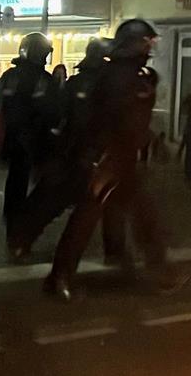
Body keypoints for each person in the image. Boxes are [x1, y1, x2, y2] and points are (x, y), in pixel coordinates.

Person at [44, 19, 181, 302]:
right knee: (85, 220)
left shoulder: (128, 73)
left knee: (145, 217)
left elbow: (132, 119)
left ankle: (161, 271)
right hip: (106, 160)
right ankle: (59, 279)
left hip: (121, 159)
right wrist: (103, 155)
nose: (150, 47)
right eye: (146, 42)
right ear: (134, 44)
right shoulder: (118, 76)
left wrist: (150, 140)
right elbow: (114, 120)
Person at [7, 38, 127, 266]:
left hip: (74, 154)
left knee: (64, 201)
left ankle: (22, 241)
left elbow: (58, 117)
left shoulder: (75, 84)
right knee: (70, 203)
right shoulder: (99, 88)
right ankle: (104, 253)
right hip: (84, 156)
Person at [0, 32, 60, 234]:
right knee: (41, 183)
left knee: (16, 180)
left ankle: (12, 217)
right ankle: (23, 224)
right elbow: (51, 110)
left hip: (12, 136)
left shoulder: (9, 75)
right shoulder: (43, 79)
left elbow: (2, 105)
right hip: (35, 137)